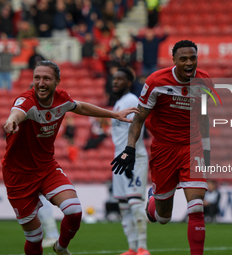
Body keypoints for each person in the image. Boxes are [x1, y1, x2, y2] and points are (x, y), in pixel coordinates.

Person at [1, 60, 138, 255]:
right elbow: (17, 113)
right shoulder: (27, 101)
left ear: (57, 80)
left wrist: (114, 115)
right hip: (18, 175)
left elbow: (80, 107)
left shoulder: (62, 99)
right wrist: (11, 121)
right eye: (37, 78)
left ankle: (61, 247)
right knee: (35, 237)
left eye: (46, 78)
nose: (40, 83)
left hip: (46, 168)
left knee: (74, 211)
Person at [111, 40, 211, 255]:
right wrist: (129, 149)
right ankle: (154, 200)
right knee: (163, 218)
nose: (189, 62)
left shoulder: (204, 81)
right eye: (183, 58)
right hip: (164, 150)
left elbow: (203, 117)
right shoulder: (156, 81)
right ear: (174, 60)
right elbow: (138, 119)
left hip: (192, 147)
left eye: (193, 58)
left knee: (196, 207)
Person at [111, 67, 150, 255]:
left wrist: (129, 153)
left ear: (128, 82)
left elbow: (137, 127)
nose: (115, 82)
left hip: (133, 157)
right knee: (123, 205)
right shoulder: (118, 103)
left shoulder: (133, 100)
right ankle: (132, 248)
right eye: (114, 79)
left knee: (135, 203)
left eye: (120, 79)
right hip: (119, 158)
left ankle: (143, 247)